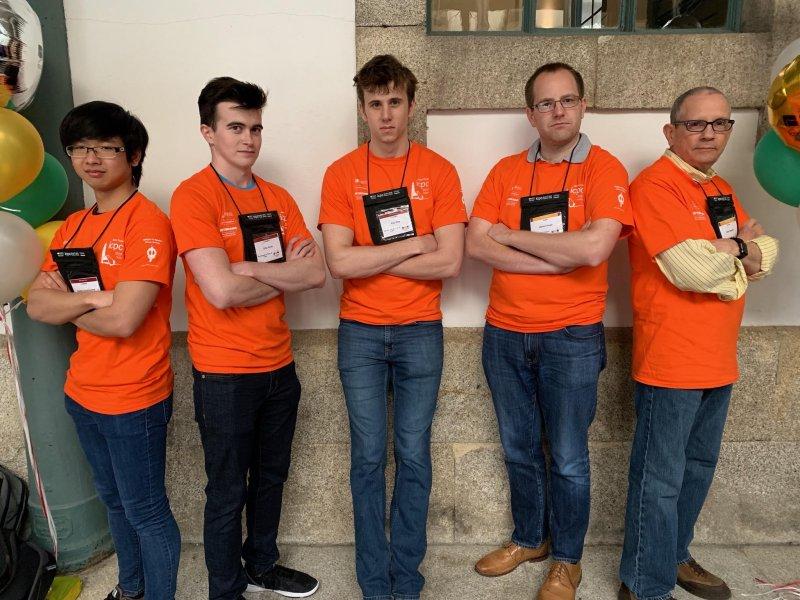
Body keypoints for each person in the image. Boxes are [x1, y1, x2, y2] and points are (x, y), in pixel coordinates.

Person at [466, 63, 632, 600]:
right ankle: (528, 539)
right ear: (529, 113)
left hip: (572, 338)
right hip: (504, 334)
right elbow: (475, 244)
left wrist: (511, 236)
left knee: (566, 456)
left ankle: (567, 560)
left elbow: (593, 249)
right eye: (545, 103)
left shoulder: (604, 170)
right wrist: (554, 260)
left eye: (567, 100)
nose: (557, 111)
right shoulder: (505, 171)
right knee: (519, 449)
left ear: (584, 106)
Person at [618, 87, 779, 600]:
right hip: (671, 360)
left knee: (697, 470)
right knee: (659, 480)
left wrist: (732, 250)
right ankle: (645, 584)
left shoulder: (720, 190)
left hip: (717, 360)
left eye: (719, 123)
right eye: (695, 124)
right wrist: (741, 255)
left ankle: (675, 555)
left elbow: (769, 252)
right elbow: (688, 270)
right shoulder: (654, 186)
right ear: (671, 131)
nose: (709, 133)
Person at [169, 77, 325, 600]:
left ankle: (261, 566)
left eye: (256, 127)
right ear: (207, 132)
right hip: (224, 373)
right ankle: (226, 589)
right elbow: (219, 292)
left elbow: (316, 275)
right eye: (235, 127)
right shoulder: (193, 196)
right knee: (227, 491)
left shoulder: (277, 198)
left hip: (279, 367)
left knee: (272, 478)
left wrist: (247, 268)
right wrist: (275, 269)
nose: (249, 139)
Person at [318, 54, 467, 600]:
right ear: (362, 110)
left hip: (419, 330)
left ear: (410, 104)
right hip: (359, 331)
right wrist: (415, 244)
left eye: (395, 102)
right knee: (368, 457)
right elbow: (338, 263)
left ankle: (407, 578)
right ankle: (372, 581)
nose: (386, 115)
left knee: (414, 453)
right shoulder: (341, 174)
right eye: (375, 104)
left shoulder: (439, 171)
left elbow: (450, 262)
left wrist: (371, 253)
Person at [27, 101, 180, 600]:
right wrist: (93, 296)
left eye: (106, 148)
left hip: (135, 396)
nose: (91, 158)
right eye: (79, 148)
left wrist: (68, 303)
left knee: (146, 511)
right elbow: (36, 307)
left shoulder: (148, 223)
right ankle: (130, 589)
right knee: (114, 503)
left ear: (133, 155)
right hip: (83, 391)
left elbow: (125, 319)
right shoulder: (72, 227)